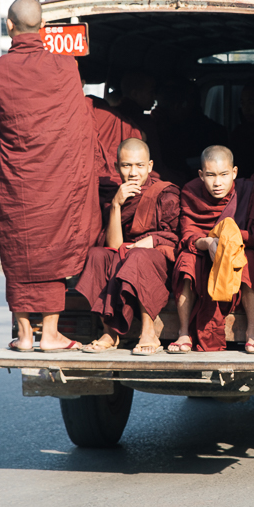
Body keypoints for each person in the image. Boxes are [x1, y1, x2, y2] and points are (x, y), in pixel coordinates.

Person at [0, 0, 99, 352]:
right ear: (43, 26)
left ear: (10, 26)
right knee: (55, 246)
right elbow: (75, 124)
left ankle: (26, 335)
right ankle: (51, 334)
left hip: (18, 176)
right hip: (57, 175)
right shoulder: (65, 66)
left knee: (18, 249)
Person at [76, 139, 179, 356]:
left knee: (139, 256)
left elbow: (177, 237)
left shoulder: (165, 194)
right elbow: (113, 245)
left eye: (139, 165)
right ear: (116, 167)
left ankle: (149, 331)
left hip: (155, 262)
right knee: (97, 255)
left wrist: (152, 241)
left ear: (150, 166)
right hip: (124, 256)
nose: (133, 172)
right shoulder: (115, 196)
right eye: (126, 165)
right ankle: (109, 332)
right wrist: (116, 204)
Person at [170, 146, 254, 354]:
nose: (217, 183)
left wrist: (225, 240)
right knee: (186, 261)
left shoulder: (247, 191)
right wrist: (209, 243)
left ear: (234, 172)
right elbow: (188, 234)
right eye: (210, 175)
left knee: (250, 259)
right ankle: (183, 331)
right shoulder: (190, 191)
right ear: (200, 175)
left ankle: (253, 332)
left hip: (235, 250)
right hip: (203, 251)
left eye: (224, 175)